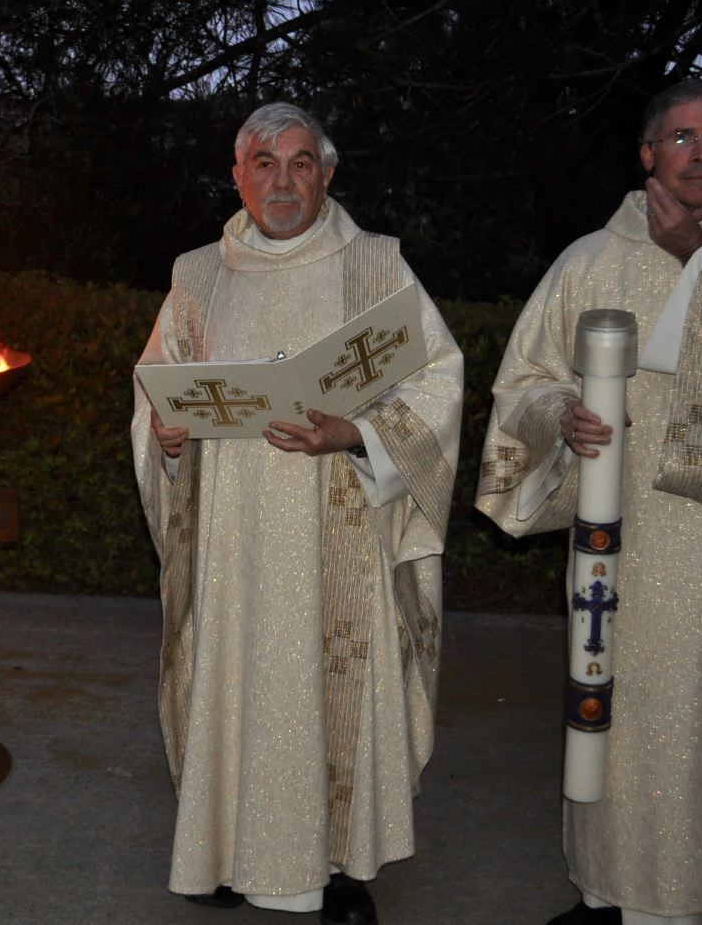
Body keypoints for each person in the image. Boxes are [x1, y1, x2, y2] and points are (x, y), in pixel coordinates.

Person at [131, 102, 463, 923]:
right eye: (265, 163)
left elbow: (439, 381)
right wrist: (167, 437)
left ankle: (342, 867)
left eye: (301, 162)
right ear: (237, 176)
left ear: (328, 173)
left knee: (332, 684)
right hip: (229, 537)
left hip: (338, 523)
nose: (283, 180)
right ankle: (223, 850)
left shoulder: (379, 268)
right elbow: (155, 388)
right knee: (235, 676)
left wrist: (358, 431)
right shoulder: (198, 274)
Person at [476, 79, 702, 925]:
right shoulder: (590, 260)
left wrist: (697, 260)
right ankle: (615, 891)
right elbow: (526, 384)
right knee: (625, 715)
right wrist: (559, 420)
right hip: (626, 547)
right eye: (681, 138)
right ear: (646, 154)